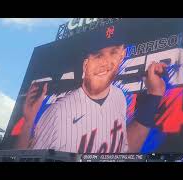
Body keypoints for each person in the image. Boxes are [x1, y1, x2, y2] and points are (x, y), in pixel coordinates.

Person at [17, 44, 167, 153]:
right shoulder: (57, 113)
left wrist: (155, 94)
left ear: (121, 55)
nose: (106, 63)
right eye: (98, 55)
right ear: (85, 64)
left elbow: (124, 153)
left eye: (113, 52)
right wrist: (28, 123)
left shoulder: (118, 96)